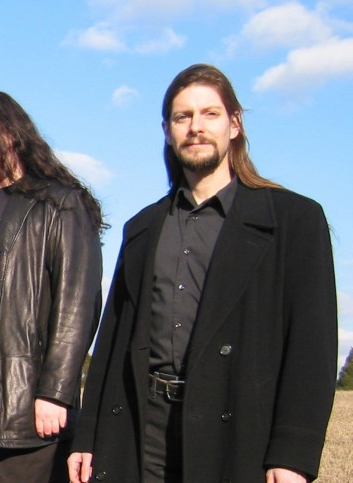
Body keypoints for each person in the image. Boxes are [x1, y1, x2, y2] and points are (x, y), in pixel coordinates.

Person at [68, 64, 338, 483]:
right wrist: (87, 435)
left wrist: (293, 456)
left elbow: (311, 347)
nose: (196, 127)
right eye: (183, 117)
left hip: (238, 433)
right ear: (167, 130)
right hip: (142, 432)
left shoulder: (293, 220)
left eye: (210, 114)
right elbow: (113, 338)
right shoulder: (142, 228)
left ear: (235, 124)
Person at [0, 90, 104, 483]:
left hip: (22, 397)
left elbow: (78, 304)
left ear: (12, 131)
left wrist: (55, 392)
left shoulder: (59, 204)